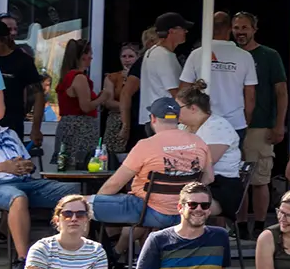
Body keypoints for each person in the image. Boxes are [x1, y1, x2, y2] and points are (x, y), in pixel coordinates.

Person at [92, 96, 211, 230]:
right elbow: (208, 178)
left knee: (80, 204)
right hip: (185, 212)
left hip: (147, 211)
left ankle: (102, 248)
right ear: (177, 118)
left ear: (153, 118)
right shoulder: (199, 142)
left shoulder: (145, 145)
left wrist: (99, 199)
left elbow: (115, 184)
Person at [0, 118, 75, 267]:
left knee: (74, 192)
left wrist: (27, 165)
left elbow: (29, 162)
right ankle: (24, 261)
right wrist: (2, 167)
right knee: (17, 198)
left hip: (27, 181)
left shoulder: (9, 133)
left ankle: (78, 254)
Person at [232, 12, 289, 218]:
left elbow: (281, 92)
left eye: (245, 27)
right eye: (237, 27)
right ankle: (239, 226)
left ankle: (258, 225)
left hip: (260, 126)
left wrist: (279, 125)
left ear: (254, 29)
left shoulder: (269, 55)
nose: (240, 32)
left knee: (259, 179)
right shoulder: (229, 55)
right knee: (237, 180)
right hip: (231, 126)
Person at [177, 11, 257, 136]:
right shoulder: (245, 56)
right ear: (230, 28)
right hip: (234, 123)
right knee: (232, 156)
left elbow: (183, 90)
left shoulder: (197, 54)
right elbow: (250, 95)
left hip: (202, 121)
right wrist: (246, 119)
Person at [178, 89, 244, 220]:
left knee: (167, 206)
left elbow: (206, 162)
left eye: (177, 107)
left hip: (220, 187)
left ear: (193, 108)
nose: (174, 112)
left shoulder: (218, 126)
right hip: (188, 183)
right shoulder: (181, 128)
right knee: (155, 202)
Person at [25, 193, 107, 269]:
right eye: (67, 214)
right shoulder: (41, 249)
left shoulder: (97, 251)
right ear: (57, 220)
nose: (74, 219)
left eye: (80, 214)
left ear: (86, 220)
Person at [0, 22, 44, 150]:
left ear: (3, 39)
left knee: (12, 164)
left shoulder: (22, 61)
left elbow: (39, 94)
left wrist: (36, 127)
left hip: (12, 124)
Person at [138, 13, 190, 139]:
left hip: (154, 117)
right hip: (165, 118)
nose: (186, 31)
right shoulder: (163, 56)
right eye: (183, 29)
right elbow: (175, 93)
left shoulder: (153, 51)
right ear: (171, 31)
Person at [54, 38, 101, 170]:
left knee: (66, 165)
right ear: (83, 56)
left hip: (67, 126)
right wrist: (103, 97)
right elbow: (85, 106)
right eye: (90, 53)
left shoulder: (67, 76)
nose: (91, 57)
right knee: (80, 165)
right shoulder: (79, 77)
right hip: (80, 128)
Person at [97, 41, 140, 164]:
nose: (127, 60)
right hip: (116, 121)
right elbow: (108, 101)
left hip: (135, 119)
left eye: (131, 56)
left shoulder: (143, 76)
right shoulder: (112, 77)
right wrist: (126, 106)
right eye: (124, 56)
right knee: (112, 157)